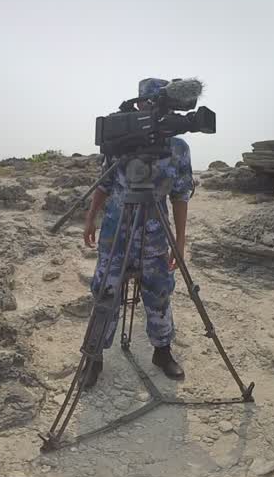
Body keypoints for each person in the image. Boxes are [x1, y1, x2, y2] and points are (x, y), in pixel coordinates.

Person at [80, 78, 198, 385]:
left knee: (159, 291)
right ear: (139, 104)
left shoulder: (178, 148)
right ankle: (94, 356)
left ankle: (162, 351)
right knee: (105, 292)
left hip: (156, 234)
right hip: (115, 232)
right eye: (148, 103)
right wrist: (91, 219)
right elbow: (104, 183)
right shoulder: (122, 139)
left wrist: (180, 241)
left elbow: (180, 195)